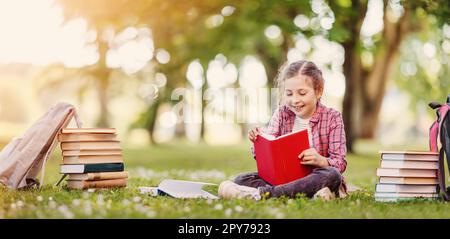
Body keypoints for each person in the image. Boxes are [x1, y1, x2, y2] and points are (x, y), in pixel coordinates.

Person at [218, 60, 348, 201]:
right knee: (242, 179)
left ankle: (262, 195)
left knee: (332, 175)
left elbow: (340, 162)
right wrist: (259, 141)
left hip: (316, 177)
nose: (295, 100)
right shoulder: (282, 114)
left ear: (318, 91)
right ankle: (311, 195)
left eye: (302, 93)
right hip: (284, 180)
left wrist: (322, 160)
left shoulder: (332, 117)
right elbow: (269, 150)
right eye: (289, 94)